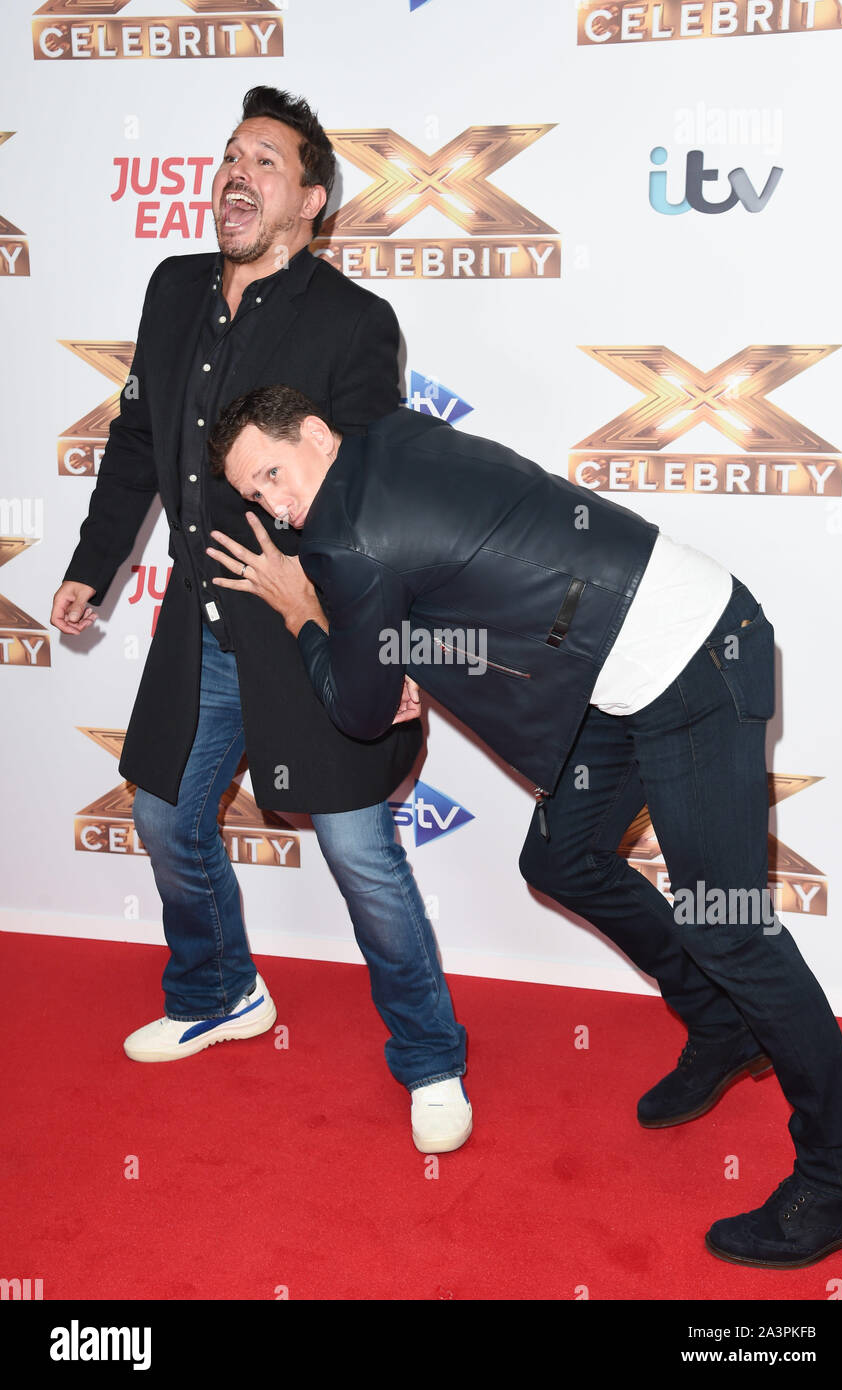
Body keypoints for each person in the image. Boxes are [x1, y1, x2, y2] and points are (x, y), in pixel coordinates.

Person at [204, 387, 842, 1268]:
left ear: (318, 436)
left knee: (731, 928)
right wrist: (393, 645)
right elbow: (461, 575)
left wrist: (307, 616)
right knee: (563, 854)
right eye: (255, 497)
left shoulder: (341, 542)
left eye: (276, 476)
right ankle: (722, 1024)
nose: (276, 509)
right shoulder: (393, 437)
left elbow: (360, 711)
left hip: (696, 663)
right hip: (618, 660)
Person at [49, 87, 470, 1157]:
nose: (236, 172)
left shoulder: (353, 323)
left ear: (312, 200)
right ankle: (220, 989)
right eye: (229, 155)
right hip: (198, 626)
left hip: (305, 625)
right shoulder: (174, 287)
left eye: (266, 162)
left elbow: (377, 497)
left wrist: (382, 641)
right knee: (162, 814)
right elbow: (138, 438)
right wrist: (94, 568)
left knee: (359, 850)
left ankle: (429, 1054)